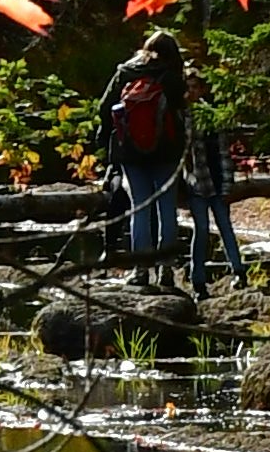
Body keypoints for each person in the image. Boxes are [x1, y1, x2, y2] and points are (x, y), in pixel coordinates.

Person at [98, 30, 190, 287]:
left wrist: (107, 144)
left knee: (139, 208)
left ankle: (141, 271)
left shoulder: (126, 72)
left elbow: (104, 108)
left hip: (131, 153)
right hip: (167, 152)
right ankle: (166, 271)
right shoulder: (172, 78)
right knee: (167, 210)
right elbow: (182, 114)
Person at [183, 68, 249, 292]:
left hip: (217, 182)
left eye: (195, 87)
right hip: (196, 184)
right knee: (201, 229)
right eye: (187, 87)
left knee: (225, 227)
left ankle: (239, 271)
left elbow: (223, 153)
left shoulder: (210, 116)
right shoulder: (181, 116)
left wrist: (229, 182)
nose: (191, 91)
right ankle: (197, 280)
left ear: (202, 89)